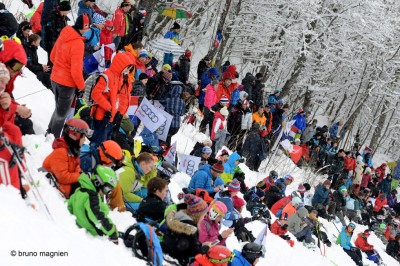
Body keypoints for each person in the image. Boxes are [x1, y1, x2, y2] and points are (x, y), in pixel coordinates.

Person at [47, 14, 90, 138]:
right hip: (66, 84)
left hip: (55, 78)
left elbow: (52, 56)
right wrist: (82, 86)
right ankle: (53, 139)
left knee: (58, 109)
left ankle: (49, 133)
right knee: (62, 114)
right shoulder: (78, 43)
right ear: (84, 27)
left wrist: (60, 68)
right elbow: (76, 71)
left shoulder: (65, 33)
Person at [67, 165, 119, 244]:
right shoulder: (92, 197)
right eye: (106, 189)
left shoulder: (80, 191)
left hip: (84, 229)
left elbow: (69, 206)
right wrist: (111, 231)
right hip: (94, 235)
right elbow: (97, 216)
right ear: (97, 182)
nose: (106, 193)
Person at [90, 52, 133, 147]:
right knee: (99, 145)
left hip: (110, 117)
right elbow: (95, 94)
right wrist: (109, 107)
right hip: (102, 116)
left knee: (105, 145)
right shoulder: (108, 75)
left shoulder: (118, 77)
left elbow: (117, 97)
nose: (128, 70)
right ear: (121, 65)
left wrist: (115, 111)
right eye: (127, 67)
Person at [42, 118, 92, 198]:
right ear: (75, 135)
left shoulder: (73, 151)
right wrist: (80, 176)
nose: (84, 141)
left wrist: (82, 175)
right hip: (54, 188)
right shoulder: (61, 152)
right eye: (83, 138)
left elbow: (77, 168)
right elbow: (63, 177)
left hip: (65, 185)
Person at [162, 194, 208, 265]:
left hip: (166, 253)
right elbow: (194, 252)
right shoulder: (189, 228)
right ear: (198, 215)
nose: (204, 218)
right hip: (175, 261)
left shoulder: (179, 217)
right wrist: (205, 248)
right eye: (203, 215)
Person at [0, 40, 34, 135]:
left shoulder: (7, 77)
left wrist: (17, 107)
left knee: (25, 124)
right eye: (15, 66)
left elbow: (5, 98)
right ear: (5, 60)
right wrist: (16, 108)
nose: (17, 71)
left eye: (20, 68)